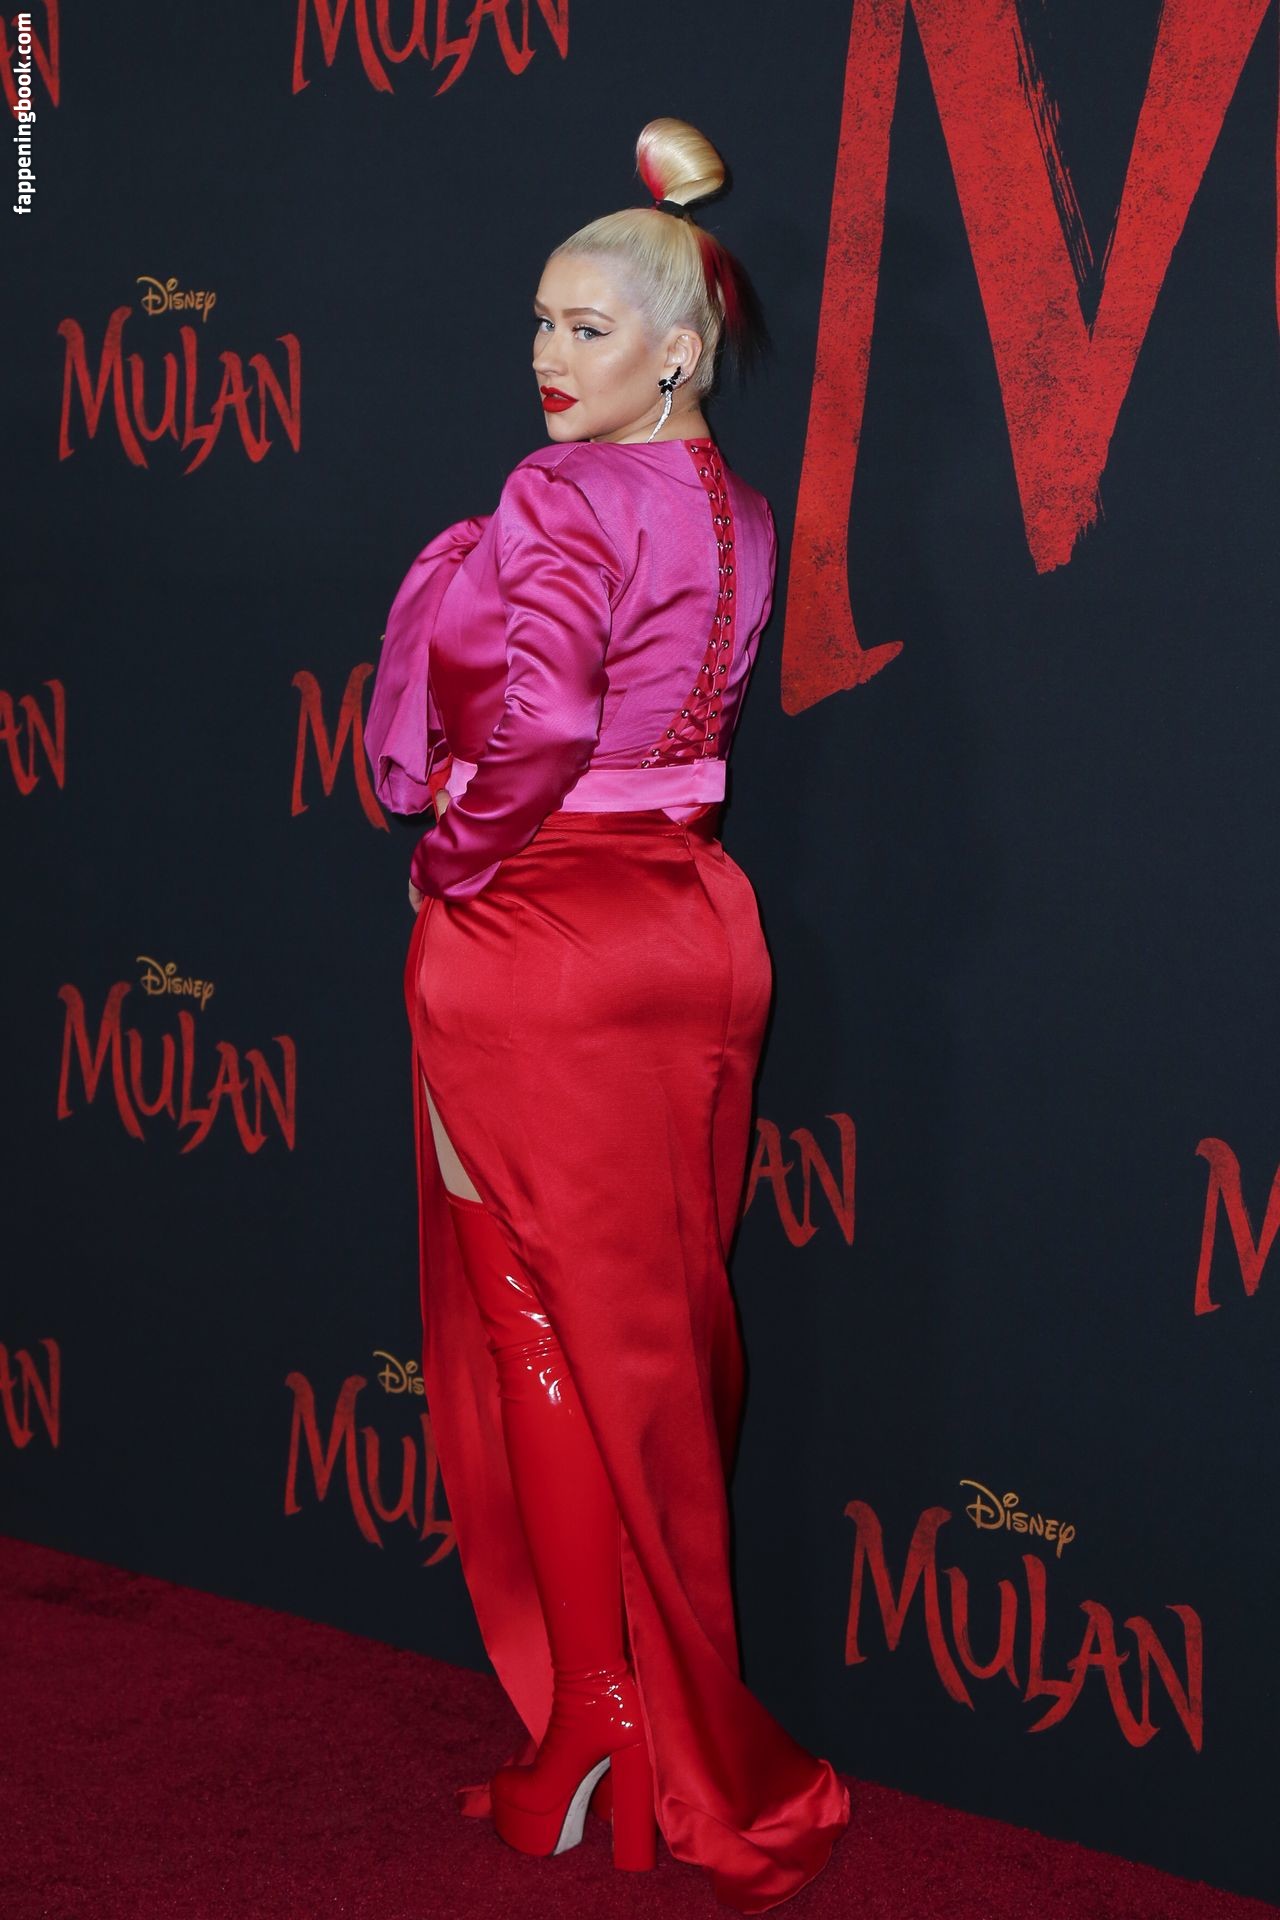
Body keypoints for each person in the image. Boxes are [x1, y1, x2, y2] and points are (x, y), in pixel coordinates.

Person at [364, 116, 851, 1914]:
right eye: (542, 324)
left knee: (538, 1327)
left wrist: (457, 857)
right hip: (693, 930)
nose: (548, 357)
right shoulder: (741, 509)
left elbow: (546, 719)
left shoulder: (561, 495)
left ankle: (598, 1726)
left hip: (546, 939)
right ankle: (629, 1727)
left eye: (587, 327)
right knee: (644, 1341)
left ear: (680, 347)